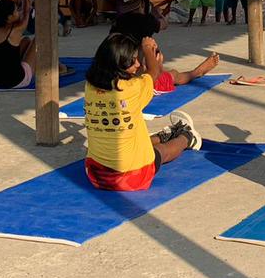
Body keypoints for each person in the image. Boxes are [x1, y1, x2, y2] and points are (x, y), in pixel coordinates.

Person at [83, 31, 200, 191]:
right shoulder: (131, 89)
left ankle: (164, 135)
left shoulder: (90, 87)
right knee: (160, 152)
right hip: (133, 176)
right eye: (133, 61)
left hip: (96, 174)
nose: (137, 64)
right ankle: (188, 136)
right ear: (119, 65)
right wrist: (147, 49)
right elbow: (154, 73)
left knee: (131, 136)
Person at [112, 11, 219, 93]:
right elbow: (151, 74)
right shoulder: (138, 80)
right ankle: (195, 72)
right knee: (170, 75)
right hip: (143, 78)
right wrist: (149, 51)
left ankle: (195, 72)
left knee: (170, 74)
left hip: (141, 71)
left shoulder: (119, 32)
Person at [0, 0, 37, 89]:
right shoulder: (14, 30)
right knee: (39, 40)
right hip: (18, 81)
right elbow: (25, 14)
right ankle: (57, 67)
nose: (18, 12)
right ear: (9, 17)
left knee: (26, 40)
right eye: (16, 11)